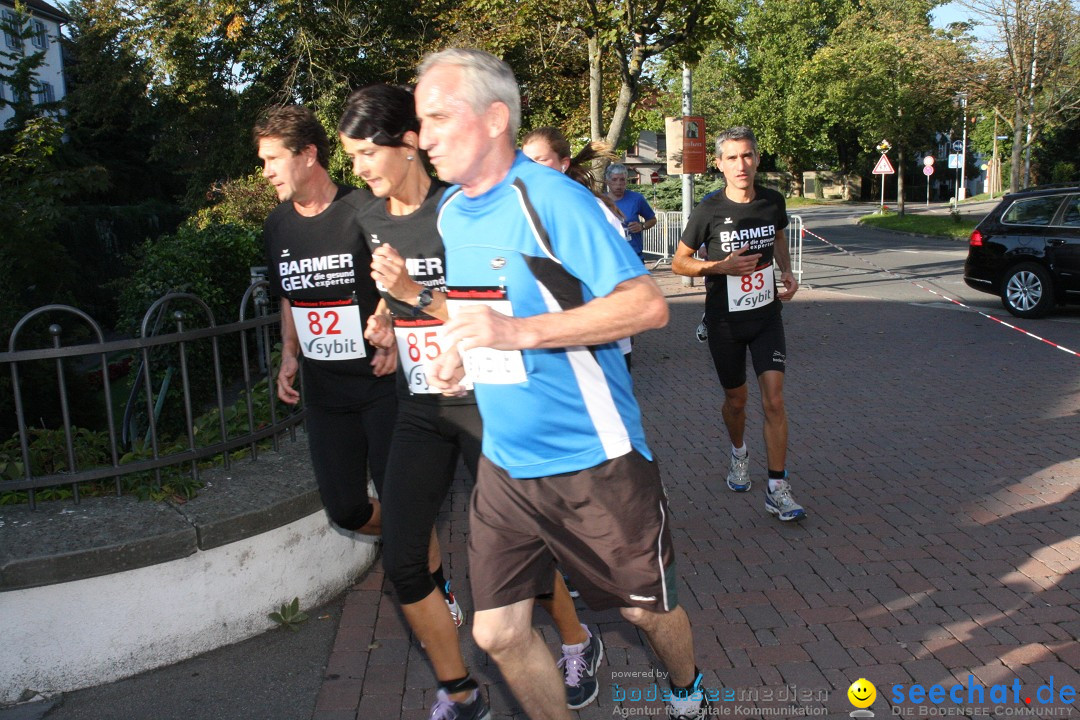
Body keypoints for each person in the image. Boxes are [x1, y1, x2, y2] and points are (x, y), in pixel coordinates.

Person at [416, 48, 711, 720]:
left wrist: (516, 333)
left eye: (437, 118)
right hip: (507, 464)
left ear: (495, 119)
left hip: (594, 459)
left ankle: (688, 690)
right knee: (496, 633)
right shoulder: (452, 213)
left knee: (644, 610)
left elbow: (647, 305)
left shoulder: (552, 201)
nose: (424, 136)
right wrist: (459, 354)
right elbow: (482, 315)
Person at [338, 84, 604, 720]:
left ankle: (575, 640)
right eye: (350, 159)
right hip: (420, 403)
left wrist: (415, 294)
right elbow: (387, 295)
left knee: (527, 558)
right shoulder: (367, 219)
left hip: (491, 403)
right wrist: (384, 321)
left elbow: (499, 306)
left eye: (366, 155)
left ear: (408, 147)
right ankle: (460, 691)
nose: (359, 170)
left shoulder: (461, 209)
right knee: (403, 558)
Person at [254, 105, 397, 539]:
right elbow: (289, 296)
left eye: (273, 159)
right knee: (346, 510)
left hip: (381, 385)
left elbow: (401, 277)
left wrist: (389, 322)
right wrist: (289, 354)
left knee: (401, 498)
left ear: (309, 154)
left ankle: (431, 585)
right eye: (263, 162)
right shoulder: (277, 226)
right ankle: (404, 542)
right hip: (325, 395)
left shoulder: (365, 209)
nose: (265, 172)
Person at [671, 126, 806, 522]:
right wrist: (719, 266)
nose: (741, 164)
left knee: (775, 400)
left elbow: (778, 234)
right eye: (732, 158)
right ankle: (739, 453)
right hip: (725, 321)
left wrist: (787, 270)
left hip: (766, 316)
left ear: (757, 159)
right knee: (737, 401)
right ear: (719, 165)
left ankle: (778, 488)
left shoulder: (771, 201)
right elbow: (680, 261)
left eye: (747, 155)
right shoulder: (709, 210)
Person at [521, 127, 633, 371]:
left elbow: (623, 285)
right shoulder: (521, 212)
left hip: (600, 344)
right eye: (526, 162)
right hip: (549, 346)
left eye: (540, 160)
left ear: (564, 164)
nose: (531, 169)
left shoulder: (591, 208)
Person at [604, 162, 657, 261]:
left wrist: (642, 226)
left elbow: (652, 220)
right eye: (614, 179)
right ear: (607, 181)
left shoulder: (636, 199)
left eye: (622, 179)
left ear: (626, 181)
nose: (619, 184)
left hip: (634, 255)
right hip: (610, 256)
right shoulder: (600, 201)